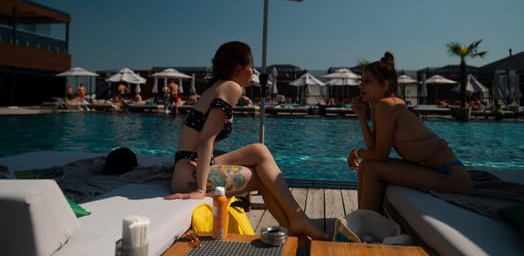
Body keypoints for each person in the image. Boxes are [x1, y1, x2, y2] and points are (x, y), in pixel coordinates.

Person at [165, 41, 329, 240]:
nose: (253, 71)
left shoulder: (218, 86)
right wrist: (200, 189)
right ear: (237, 68)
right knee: (264, 176)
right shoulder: (231, 87)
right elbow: (205, 139)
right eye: (251, 66)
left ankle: (297, 222)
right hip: (189, 175)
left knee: (259, 151)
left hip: (187, 166)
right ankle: (296, 223)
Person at [347, 52, 473, 213]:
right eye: (361, 81)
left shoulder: (388, 106)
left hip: (451, 177)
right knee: (366, 166)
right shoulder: (379, 105)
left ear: (384, 85)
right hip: (434, 172)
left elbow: (380, 155)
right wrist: (361, 116)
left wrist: (355, 152)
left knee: (371, 169)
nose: (361, 86)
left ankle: (366, 228)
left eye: (367, 82)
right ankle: (362, 221)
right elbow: (373, 148)